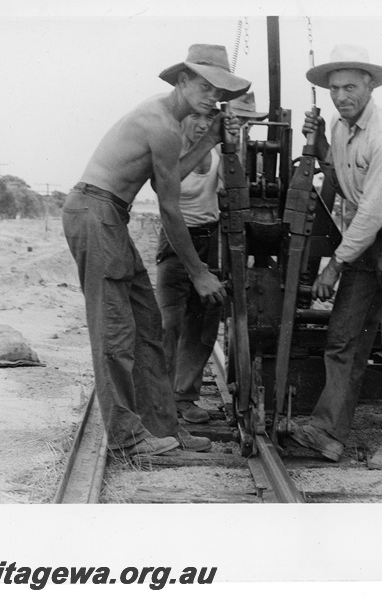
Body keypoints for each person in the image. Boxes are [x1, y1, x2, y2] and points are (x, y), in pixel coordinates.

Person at [61, 44, 249, 457]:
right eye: (204, 86)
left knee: (147, 324)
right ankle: (127, 441)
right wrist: (199, 272)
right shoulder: (161, 124)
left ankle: (163, 429)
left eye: (217, 91)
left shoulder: (167, 123)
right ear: (181, 81)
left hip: (111, 215)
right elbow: (169, 207)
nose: (212, 97)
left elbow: (170, 177)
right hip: (96, 213)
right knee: (115, 331)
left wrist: (209, 140)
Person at [290, 44, 382, 469]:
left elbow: (373, 209)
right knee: (344, 332)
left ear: (370, 86)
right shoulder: (338, 126)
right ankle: (327, 432)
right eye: (334, 88)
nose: (340, 96)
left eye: (350, 87)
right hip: (368, 229)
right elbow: (336, 175)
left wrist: (335, 264)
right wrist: (313, 142)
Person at [155, 92, 268, 424]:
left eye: (208, 120)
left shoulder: (218, 153)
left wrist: (232, 147)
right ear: (183, 120)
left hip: (211, 240)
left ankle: (184, 397)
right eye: (196, 118)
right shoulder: (171, 150)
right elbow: (167, 196)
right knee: (169, 323)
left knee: (204, 325)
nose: (202, 125)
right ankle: (161, 402)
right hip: (176, 243)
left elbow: (235, 190)